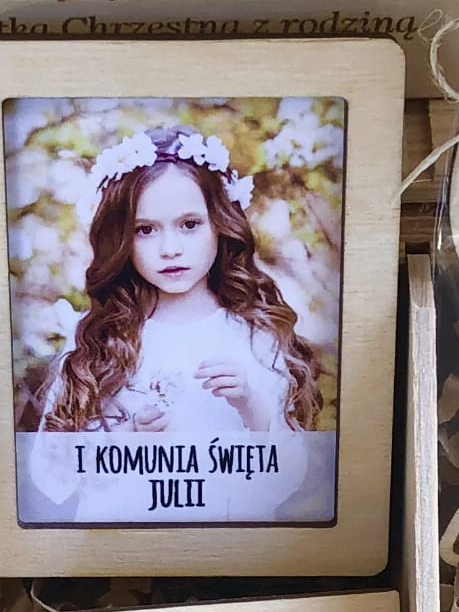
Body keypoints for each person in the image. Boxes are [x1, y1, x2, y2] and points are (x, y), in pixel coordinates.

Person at [34, 126, 324, 436]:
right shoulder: (98, 339)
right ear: (121, 239)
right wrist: (130, 437)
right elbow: (53, 462)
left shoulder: (256, 332)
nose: (170, 249)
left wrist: (250, 404)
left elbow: (292, 462)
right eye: (145, 230)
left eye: (189, 224)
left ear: (220, 223)